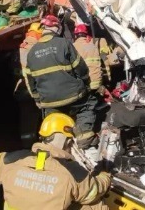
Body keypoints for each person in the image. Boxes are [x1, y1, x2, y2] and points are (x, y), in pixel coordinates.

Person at [0, 111, 112, 209]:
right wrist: (105, 175)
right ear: (67, 142)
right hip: (85, 184)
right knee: (95, 205)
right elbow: (94, 191)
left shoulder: (12, 159)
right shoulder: (74, 174)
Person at [25, 15, 97, 147]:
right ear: (57, 28)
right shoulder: (64, 43)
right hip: (73, 96)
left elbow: (31, 82)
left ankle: (53, 148)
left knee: (53, 125)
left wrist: (38, 100)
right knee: (87, 106)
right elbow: (80, 68)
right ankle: (84, 137)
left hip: (49, 102)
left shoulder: (31, 53)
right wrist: (85, 83)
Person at [15, 22, 43, 147]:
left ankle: (28, 145)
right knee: (34, 119)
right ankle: (32, 146)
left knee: (27, 120)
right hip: (32, 91)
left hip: (22, 90)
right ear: (38, 35)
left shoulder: (20, 47)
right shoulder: (36, 48)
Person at [72, 24, 112, 94]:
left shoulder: (72, 46)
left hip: (84, 85)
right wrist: (108, 78)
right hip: (98, 82)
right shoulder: (95, 43)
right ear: (86, 33)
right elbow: (105, 60)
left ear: (75, 35)